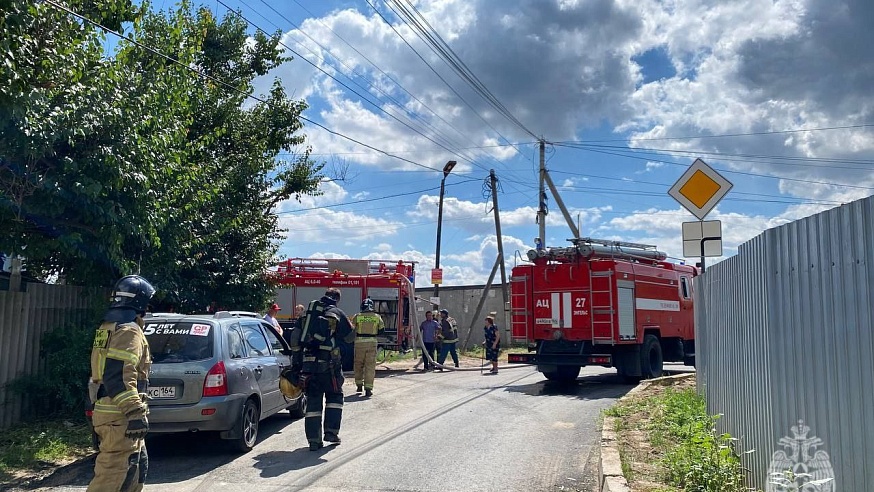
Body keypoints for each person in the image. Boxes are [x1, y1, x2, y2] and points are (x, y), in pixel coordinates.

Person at [87, 275, 156, 492]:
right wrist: (135, 412)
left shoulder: (107, 327)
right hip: (121, 416)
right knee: (113, 476)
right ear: (140, 302)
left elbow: (99, 372)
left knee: (134, 471)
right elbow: (117, 376)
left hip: (109, 413)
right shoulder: (129, 331)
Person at [288, 288, 354, 451]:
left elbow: (295, 339)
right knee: (335, 397)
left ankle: (314, 441)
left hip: (309, 365)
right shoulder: (336, 313)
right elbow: (350, 337)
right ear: (337, 299)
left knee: (313, 401)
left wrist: (297, 362)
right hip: (330, 365)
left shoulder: (306, 314)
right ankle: (331, 433)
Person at [350, 298, 384, 397]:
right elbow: (382, 330)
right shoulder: (377, 317)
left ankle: (359, 385)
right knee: (370, 366)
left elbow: (352, 328)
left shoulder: (357, 316)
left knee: (358, 364)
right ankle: (368, 389)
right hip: (372, 343)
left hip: (359, 343)